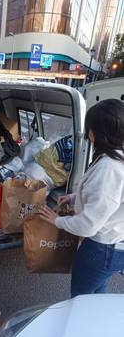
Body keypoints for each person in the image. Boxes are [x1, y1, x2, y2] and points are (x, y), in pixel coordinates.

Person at [39, 99, 124, 297]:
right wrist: (74, 196)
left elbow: (88, 226)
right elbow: (109, 196)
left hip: (102, 248)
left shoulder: (109, 169)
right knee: (95, 291)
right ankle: (96, 322)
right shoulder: (115, 156)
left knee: (81, 297)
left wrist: (57, 221)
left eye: (90, 128)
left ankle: (83, 326)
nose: (88, 134)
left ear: (98, 132)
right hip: (114, 244)